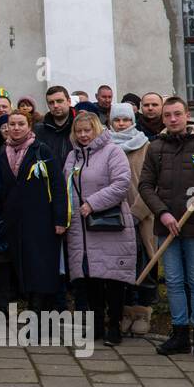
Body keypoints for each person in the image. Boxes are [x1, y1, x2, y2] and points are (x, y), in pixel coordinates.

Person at [138, 96, 194, 362]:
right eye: (168, 115)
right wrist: (161, 213)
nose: (173, 119)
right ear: (163, 119)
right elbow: (146, 186)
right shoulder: (155, 147)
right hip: (167, 226)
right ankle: (180, 334)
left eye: (177, 114)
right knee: (173, 281)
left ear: (187, 115)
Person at [63, 111, 136, 345]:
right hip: (80, 228)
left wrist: (93, 203)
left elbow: (122, 183)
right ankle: (96, 327)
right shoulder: (72, 156)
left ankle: (114, 326)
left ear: (97, 130)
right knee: (90, 277)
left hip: (109, 225)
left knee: (113, 279)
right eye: (79, 131)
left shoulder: (112, 151)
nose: (83, 135)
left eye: (88, 130)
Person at [0, 112, 66, 311]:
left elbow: (57, 185)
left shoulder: (41, 150)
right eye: (12, 124)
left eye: (21, 124)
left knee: (41, 269)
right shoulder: (3, 153)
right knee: (24, 268)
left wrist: (60, 219)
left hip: (41, 221)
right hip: (14, 222)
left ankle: (40, 316)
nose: (16, 128)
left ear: (30, 126)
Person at [106, 104, 157, 337]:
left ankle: (143, 310)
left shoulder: (145, 145)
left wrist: (137, 212)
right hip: (114, 214)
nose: (121, 124)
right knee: (121, 263)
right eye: (117, 120)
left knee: (144, 260)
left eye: (126, 120)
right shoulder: (105, 145)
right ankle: (125, 310)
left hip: (141, 214)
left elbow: (151, 182)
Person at [36, 86, 75, 173]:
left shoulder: (80, 126)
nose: (55, 105)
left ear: (69, 101)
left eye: (59, 101)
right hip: (49, 183)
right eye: (51, 102)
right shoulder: (39, 130)